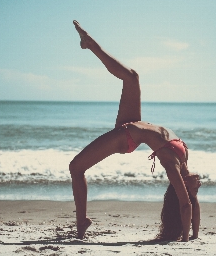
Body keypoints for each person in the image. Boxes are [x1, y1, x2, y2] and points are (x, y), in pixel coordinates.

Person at [69, 20, 201, 242]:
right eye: (197, 186)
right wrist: (196, 233)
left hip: (126, 137)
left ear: (182, 186)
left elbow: (186, 204)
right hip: (133, 124)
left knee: (75, 167)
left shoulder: (173, 167)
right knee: (132, 77)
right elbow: (192, 202)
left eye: (195, 187)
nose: (199, 182)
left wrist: (186, 239)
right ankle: (90, 44)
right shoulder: (184, 155)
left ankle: (81, 221)